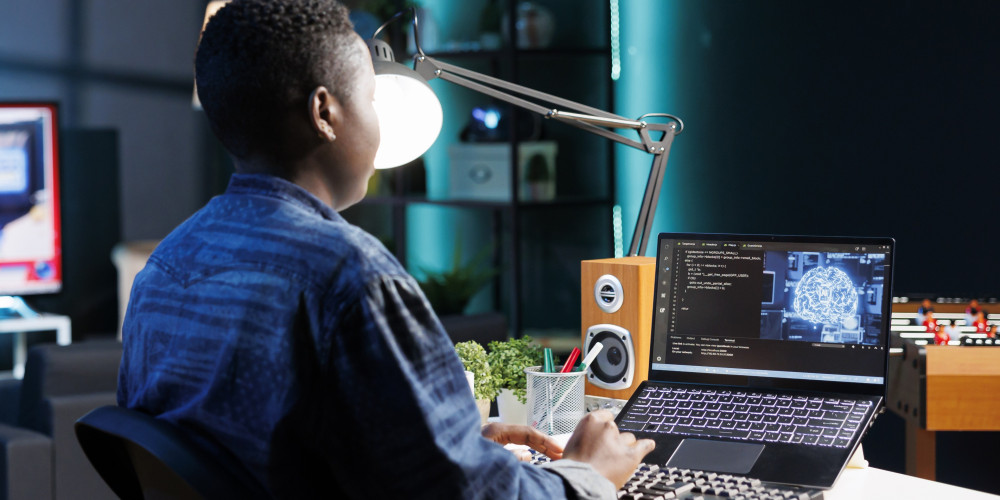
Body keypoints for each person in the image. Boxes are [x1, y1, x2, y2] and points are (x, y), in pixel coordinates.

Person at [116, 1, 653, 498]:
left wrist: (452, 446)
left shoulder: (165, 266)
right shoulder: (349, 275)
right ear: (324, 112)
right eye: (372, 97)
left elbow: (255, 453)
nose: (378, 122)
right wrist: (586, 474)